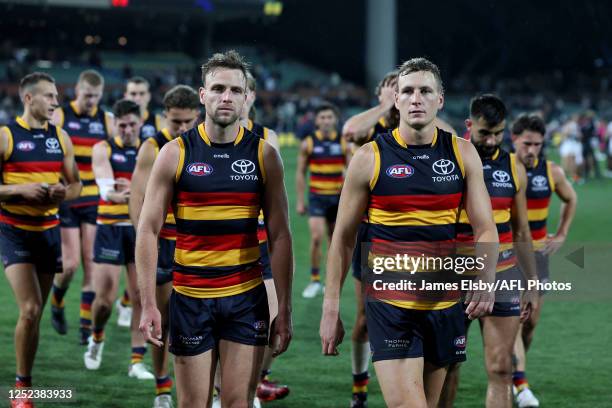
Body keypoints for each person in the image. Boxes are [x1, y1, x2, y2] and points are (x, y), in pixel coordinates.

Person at [320, 57, 499, 408]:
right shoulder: (368, 158)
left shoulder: (463, 154)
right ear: (395, 99)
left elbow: (485, 226)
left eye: (425, 91)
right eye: (408, 91)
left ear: (440, 99)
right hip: (391, 304)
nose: (416, 98)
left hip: (446, 303)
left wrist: (486, 274)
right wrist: (330, 308)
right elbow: (342, 238)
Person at [137, 50, 293, 407]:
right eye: (218, 88)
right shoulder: (175, 153)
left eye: (235, 90)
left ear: (247, 97)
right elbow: (147, 229)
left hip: (245, 299)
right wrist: (148, 304)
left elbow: (281, 235)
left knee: (237, 403)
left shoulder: (265, 155)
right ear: (202, 94)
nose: (227, 97)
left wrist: (282, 308)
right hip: (191, 298)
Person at [439, 95, 539, 408]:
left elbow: (521, 230)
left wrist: (531, 283)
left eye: (498, 133)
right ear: (469, 126)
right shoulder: (448, 159)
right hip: (454, 277)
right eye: (485, 133)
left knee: (500, 368)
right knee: (446, 364)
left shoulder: (514, 166)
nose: (491, 140)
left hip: (503, 275)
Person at [0, 72, 81, 408]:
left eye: (56, 96)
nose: (56, 102)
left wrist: (63, 193)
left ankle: (25, 379)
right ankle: (22, 389)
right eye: (49, 96)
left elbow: (76, 184)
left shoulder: (60, 137)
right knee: (30, 309)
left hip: (48, 232)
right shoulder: (6, 137)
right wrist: (20, 190)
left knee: (35, 315)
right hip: (13, 230)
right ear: (29, 98)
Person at [130, 85, 201, 408]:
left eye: (187, 121)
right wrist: (145, 236)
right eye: (175, 122)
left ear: (197, 115)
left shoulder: (204, 144)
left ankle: (208, 389)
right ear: (164, 117)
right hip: (164, 244)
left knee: (198, 321)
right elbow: (137, 197)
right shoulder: (152, 146)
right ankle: (162, 388)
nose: (182, 129)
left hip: (197, 247)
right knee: (164, 319)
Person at [83, 99, 155, 380]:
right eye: (121, 124)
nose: (126, 129)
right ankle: (96, 336)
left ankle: (136, 361)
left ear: (141, 124)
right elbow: (108, 190)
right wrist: (137, 192)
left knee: (140, 295)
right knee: (104, 299)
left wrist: (134, 190)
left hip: (140, 228)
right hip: (111, 227)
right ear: (114, 124)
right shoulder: (102, 149)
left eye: (132, 124)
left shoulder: (149, 150)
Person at [511, 114, 577, 408]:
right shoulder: (502, 170)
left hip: (538, 256)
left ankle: (511, 369)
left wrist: (561, 233)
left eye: (537, 144)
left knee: (530, 323)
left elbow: (571, 199)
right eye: (527, 143)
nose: (532, 150)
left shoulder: (551, 172)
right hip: (507, 254)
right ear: (514, 140)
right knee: (512, 319)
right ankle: (519, 383)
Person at [50, 69, 113, 344]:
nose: (91, 101)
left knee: (90, 263)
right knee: (70, 264)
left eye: (96, 97)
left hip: (93, 199)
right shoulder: (61, 115)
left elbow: (115, 154)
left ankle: (85, 327)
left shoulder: (105, 119)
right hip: (68, 196)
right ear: (78, 90)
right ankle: (57, 299)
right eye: (87, 95)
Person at [297, 102, 350, 298]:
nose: (326, 121)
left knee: (334, 242)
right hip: (317, 198)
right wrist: (301, 201)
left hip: (337, 199)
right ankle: (314, 280)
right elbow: (301, 173)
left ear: (335, 120)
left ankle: (330, 281)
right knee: (317, 238)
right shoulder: (308, 143)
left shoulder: (344, 142)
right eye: (322, 118)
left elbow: (352, 172)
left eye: (329, 117)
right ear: (317, 121)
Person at [124, 76, 163, 142]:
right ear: (126, 96)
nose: (137, 98)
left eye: (142, 94)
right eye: (133, 94)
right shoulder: (116, 123)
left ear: (149, 96)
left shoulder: (160, 121)